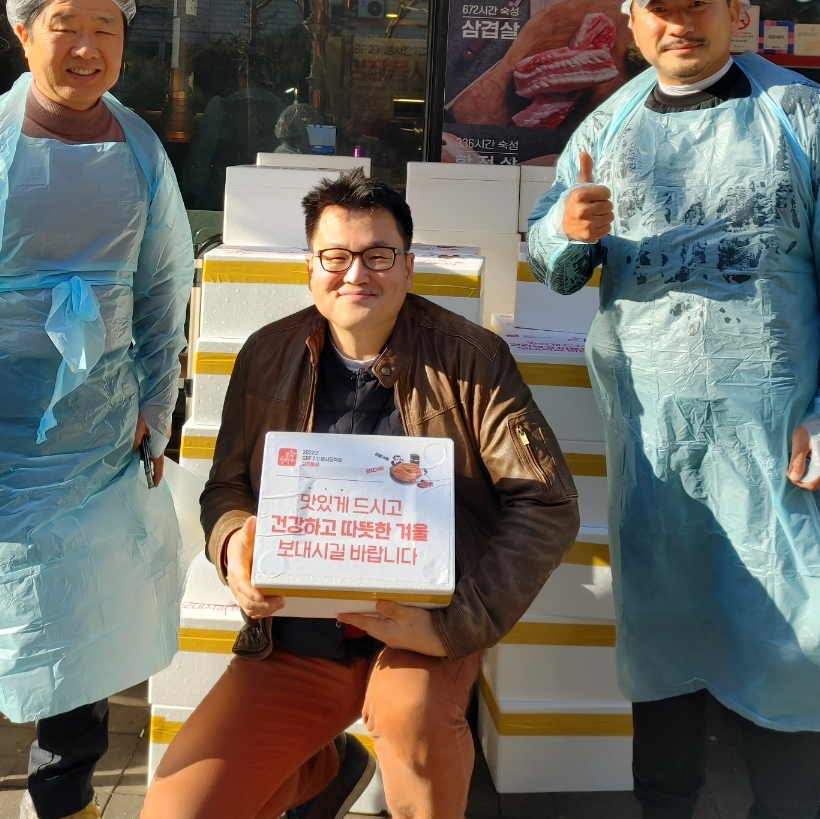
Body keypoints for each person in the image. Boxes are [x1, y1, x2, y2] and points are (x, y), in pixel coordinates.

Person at [527, 0, 820, 819]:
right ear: (631, 25)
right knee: (665, 641)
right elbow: (549, 250)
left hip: (774, 438)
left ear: (734, 10)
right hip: (655, 442)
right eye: (660, 7)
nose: (679, 21)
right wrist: (568, 231)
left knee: (787, 633)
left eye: (698, 3)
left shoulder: (799, 113)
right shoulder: (608, 125)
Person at [143, 169, 579, 819]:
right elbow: (227, 487)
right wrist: (234, 542)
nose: (357, 274)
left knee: (415, 720)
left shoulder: (470, 358)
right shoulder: (267, 353)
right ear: (310, 268)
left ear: (408, 266)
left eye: (379, 255)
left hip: (419, 631)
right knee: (178, 810)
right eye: (336, 256)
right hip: (295, 638)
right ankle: (318, 770)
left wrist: (454, 624)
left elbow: (546, 501)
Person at [0, 0, 195, 819]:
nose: (87, 47)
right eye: (66, 27)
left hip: (96, 445)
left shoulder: (139, 146)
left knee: (83, 633)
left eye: (106, 29)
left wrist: (153, 406)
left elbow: (163, 289)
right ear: (25, 33)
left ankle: (64, 802)